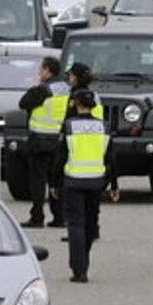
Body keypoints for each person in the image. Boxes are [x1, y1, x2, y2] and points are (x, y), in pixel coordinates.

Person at [50, 89, 119, 283]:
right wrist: (114, 185)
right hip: (97, 182)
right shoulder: (104, 127)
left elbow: (60, 157)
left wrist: (54, 183)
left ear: (77, 104)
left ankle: (79, 270)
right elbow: (111, 159)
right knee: (90, 224)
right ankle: (85, 261)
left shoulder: (69, 126)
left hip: (73, 181)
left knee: (75, 224)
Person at [19, 56, 70, 228]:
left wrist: (35, 87)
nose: (39, 73)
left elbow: (23, 103)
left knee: (38, 181)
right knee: (56, 180)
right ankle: (59, 217)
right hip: (59, 140)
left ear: (48, 71)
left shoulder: (43, 89)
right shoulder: (67, 88)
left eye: (41, 69)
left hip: (41, 140)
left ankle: (37, 216)